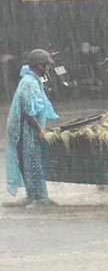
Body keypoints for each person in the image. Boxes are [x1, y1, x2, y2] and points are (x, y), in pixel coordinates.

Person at [5, 49, 59, 206]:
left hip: (26, 129)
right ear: (39, 66)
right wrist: (40, 130)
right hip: (26, 130)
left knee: (29, 162)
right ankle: (39, 198)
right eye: (47, 66)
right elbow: (28, 112)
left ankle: (34, 195)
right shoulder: (29, 83)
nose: (48, 69)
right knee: (33, 161)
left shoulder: (33, 80)